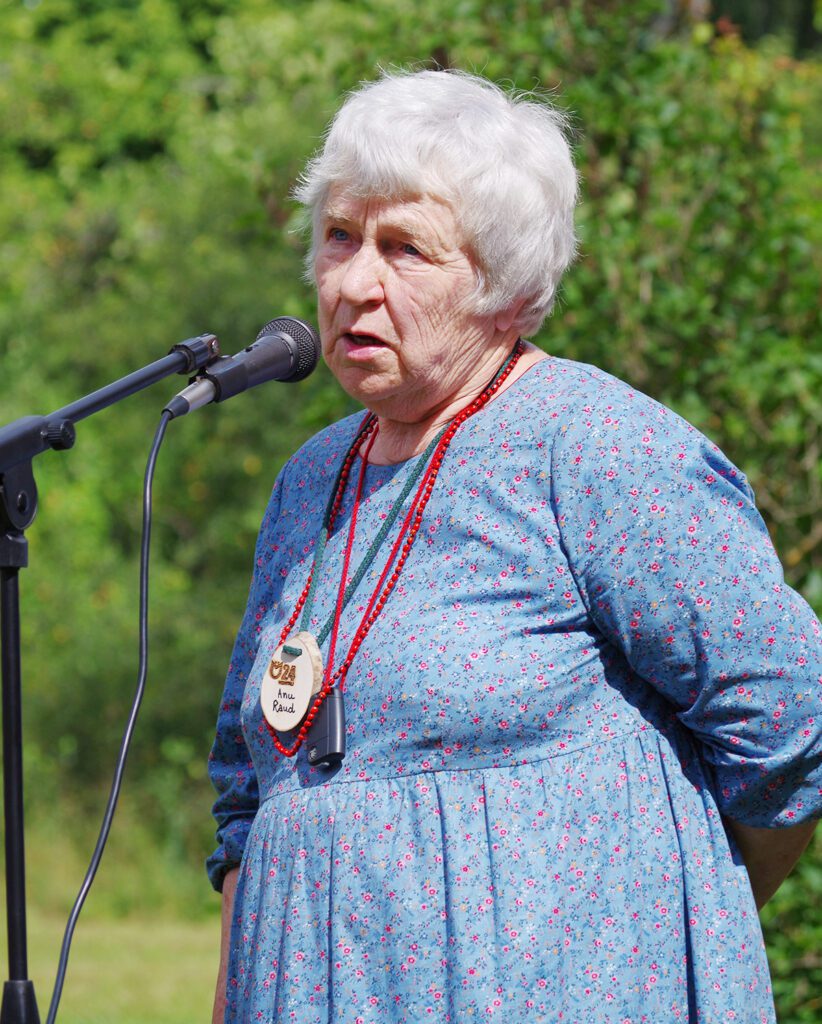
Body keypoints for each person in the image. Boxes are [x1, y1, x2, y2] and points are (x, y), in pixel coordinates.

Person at [208, 69, 821, 1024]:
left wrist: (668, 901)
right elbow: (250, 793)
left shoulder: (595, 446)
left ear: (500, 284)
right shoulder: (310, 479)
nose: (353, 282)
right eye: (339, 236)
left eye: (405, 247)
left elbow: (791, 719)